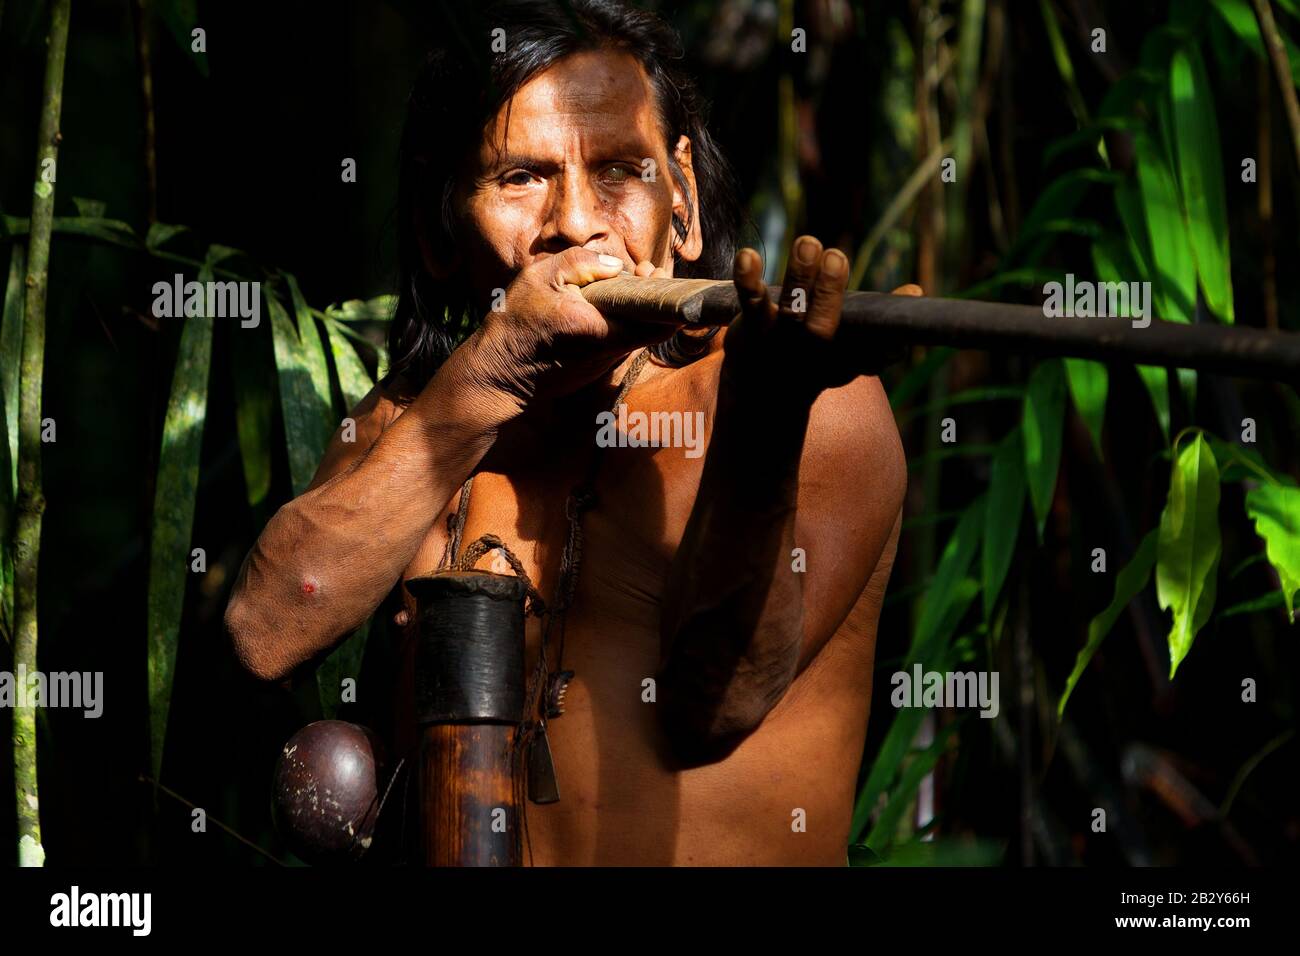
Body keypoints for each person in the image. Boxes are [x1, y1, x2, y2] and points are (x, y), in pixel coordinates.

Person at [225, 0, 915, 866]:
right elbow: (265, 631)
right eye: (521, 178)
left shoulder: (809, 400)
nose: (577, 225)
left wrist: (764, 422)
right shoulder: (414, 419)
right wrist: (494, 373)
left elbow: (717, 705)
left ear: (685, 204)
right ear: (442, 233)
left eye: (623, 171)